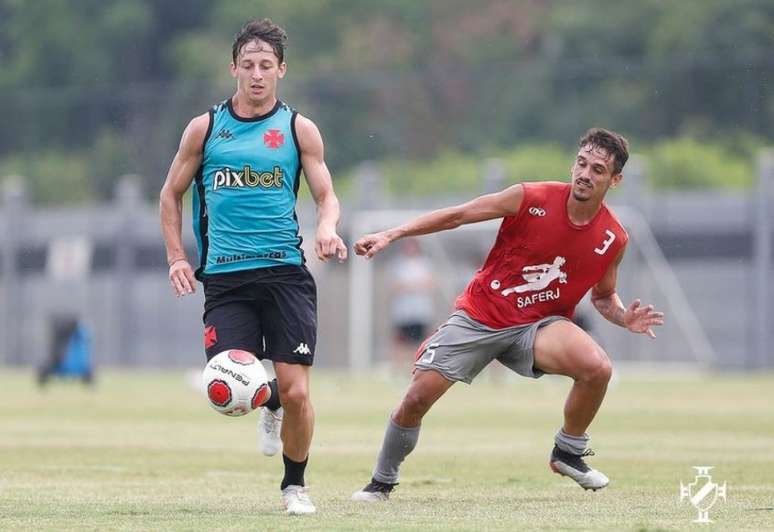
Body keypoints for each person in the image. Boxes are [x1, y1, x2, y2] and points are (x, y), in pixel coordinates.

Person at [350, 128, 664, 501]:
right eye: (581, 164)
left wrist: (624, 316)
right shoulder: (530, 197)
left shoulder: (614, 237)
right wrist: (393, 234)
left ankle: (568, 451)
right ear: (572, 164)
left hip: (537, 327)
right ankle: (381, 482)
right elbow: (459, 215)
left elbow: (604, 297)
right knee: (416, 399)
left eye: (598, 169)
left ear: (615, 180)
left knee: (598, 369)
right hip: (481, 316)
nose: (585, 174)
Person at [159, 18, 347, 515]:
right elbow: (170, 194)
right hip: (226, 278)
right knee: (222, 381)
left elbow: (327, 197)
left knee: (298, 390)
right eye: (248, 65)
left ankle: (295, 487)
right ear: (233, 69)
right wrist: (177, 256)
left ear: (282, 70)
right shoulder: (205, 128)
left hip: (286, 273)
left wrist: (327, 229)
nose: (257, 74)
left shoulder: (297, 129)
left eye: (267, 65)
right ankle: (269, 404)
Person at [387, 239, 435, 373]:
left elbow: (429, 284)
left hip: (421, 311)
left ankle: (419, 369)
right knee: (401, 343)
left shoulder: (425, 264)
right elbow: (395, 286)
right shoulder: (398, 265)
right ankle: (399, 370)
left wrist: (409, 286)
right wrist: (413, 285)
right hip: (403, 312)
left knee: (421, 342)